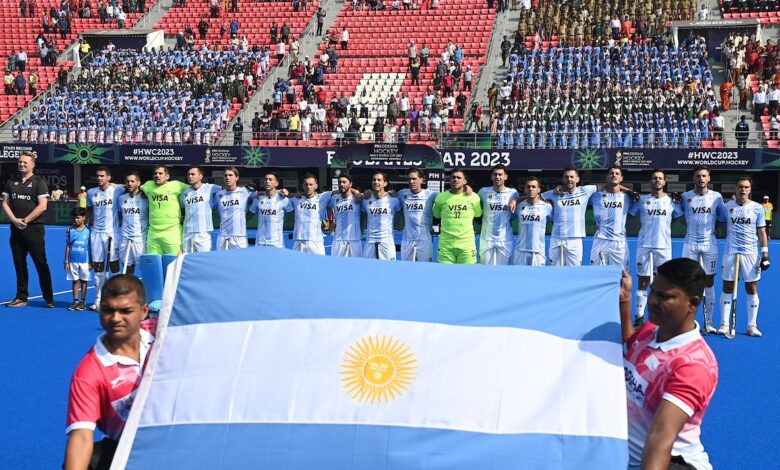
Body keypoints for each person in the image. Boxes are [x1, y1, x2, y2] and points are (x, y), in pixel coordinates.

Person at [619, 259, 718, 470]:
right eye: (653, 292)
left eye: (665, 297)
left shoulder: (692, 365)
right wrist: (624, 300)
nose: (653, 301)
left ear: (692, 303)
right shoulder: (651, 330)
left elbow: (660, 437)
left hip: (672, 463)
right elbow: (630, 344)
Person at [64, 275, 155, 470]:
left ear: (143, 311)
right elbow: (81, 437)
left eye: (125, 311)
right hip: (129, 453)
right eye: (108, 310)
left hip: (180, 439)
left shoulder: (163, 333)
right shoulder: (88, 372)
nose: (115, 318)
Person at [629, 170, 684, 327]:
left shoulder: (672, 201)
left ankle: (663, 315)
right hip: (644, 245)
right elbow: (629, 213)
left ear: (664, 182)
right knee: (643, 280)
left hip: (664, 247)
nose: (657, 180)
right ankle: (639, 317)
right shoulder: (641, 200)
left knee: (665, 282)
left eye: (660, 178)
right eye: (654, 178)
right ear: (650, 181)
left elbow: (684, 218)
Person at [718, 177, 770, 337]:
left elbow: (762, 232)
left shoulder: (757, 208)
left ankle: (751, 326)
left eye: (746, 187)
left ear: (750, 190)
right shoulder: (727, 207)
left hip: (750, 252)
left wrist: (765, 253)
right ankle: (724, 324)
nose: (743, 189)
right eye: (740, 186)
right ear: (735, 188)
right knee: (727, 286)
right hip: (730, 251)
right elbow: (718, 222)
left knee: (752, 287)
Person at [2, 151, 54, 307]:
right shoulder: (11, 182)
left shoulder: (39, 182)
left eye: (25, 162)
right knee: (19, 263)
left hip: (34, 230)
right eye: (20, 162)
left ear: (32, 164)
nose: (22, 164)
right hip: (16, 229)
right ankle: (21, 297)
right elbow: (4, 203)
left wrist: (25, 220)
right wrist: (14, 220)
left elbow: (43, 206)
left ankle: (49, 298)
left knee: (40, 263)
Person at [679, 166, 726, 333]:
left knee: (709, 281)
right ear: (694, 178)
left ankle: (709, 322)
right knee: (688, 282)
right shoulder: (685, 197)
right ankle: (685, 321)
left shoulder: (717, 197)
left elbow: (722, 217)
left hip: (709, 244)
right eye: (698, 176)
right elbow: (680, 217)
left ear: (709, 178)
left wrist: (714, 229)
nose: (701, 178)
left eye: (704, 176)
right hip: (690, 243)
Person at [541, 167, 598, 266]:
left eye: (572, 177)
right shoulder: (555, 193)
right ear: (563, 179)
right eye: (566, 177)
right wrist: (515, 201)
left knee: (574, 274)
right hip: (556, 238)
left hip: (575, 240)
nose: (569, 179)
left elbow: (607, 185)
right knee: (555, 274)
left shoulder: (585, 191)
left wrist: (628, 190)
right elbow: (535, 197)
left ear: (577, 179)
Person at [86, 167, 123, 310]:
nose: (99, 178)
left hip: (112, 233)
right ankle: (98, 299)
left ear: (109, 177)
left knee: (114, 266)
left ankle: (116, 298)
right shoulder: (91, 192)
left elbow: (130, 185)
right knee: (98, 267)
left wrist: (115, 185)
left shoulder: (117, 190)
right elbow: (89, 211)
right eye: (97, 176)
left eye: (102, 176)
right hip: (96, 233)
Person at [589, 165, 634, 268]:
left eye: (617, 174)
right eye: (611, 173)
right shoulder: (596, 196)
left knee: (622, 276)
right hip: (601, 240)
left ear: (621, 178)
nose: (614, 175)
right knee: (597, 275)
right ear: (607, 177)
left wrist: (628, 191)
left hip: (619, 242)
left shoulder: (628, 198)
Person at [433, 170, 482, 264]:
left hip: (467, 245)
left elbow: (478, 215)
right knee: (445, 276)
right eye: (453, 177)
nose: (455, 179)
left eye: (459, 178)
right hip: (446, 245)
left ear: (464, 181)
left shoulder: (474, 197)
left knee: (466, 276)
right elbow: (436, 216)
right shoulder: (441, 197)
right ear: (450, 180)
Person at [140, 165, 189, 255]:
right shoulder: (148, 185)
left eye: (160, 173)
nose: (157, 175)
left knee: (173, 264)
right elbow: (134, 186)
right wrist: (113, 184)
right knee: (154, 265)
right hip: (153, 234)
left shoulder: (176, 185)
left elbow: (194, 189)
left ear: (167, 176)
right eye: (155, 173)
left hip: (172, 233)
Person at [478, 164, 519, 265]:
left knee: (503, 272)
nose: (497, 177)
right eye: (495, 174)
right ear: (491, 176)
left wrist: (516, 200)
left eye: (500, 174)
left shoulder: (513, 193)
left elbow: (527, 198)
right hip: (486, 239)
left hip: (505, 240)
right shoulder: (483, 192)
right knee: (485, 271)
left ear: (505, 176)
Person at [396, 168, 438, 262]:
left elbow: (448, 196)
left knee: (426, 269)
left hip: (424, 239)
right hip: (407, 239)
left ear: (421, 180)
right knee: (406, 269)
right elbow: (387, 196)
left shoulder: (430, 194)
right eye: (409, 179)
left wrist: (467, 188)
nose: (411, 181)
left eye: (414, 179)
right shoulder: (402, 193)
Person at [511, 177, 552, 266]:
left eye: (533, 187)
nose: (531, 189)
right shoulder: (518, 206)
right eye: (528, 187)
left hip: (538, 251)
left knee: (538, 279)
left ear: (539, 190)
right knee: (519, 279)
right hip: (520, 250)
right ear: (525, 189)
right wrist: (515, 201)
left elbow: (554, 221)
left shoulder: (547, 207)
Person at [180, 165, 220, 253]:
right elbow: (183, 208)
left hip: (203, 232)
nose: (190, 176)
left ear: (200, 176)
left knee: (204, 259)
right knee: (187, 259)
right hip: (187, 232)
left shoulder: (211, 188)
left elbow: (228, 189)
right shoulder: (185, 192)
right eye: (188, 174)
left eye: (193, 174)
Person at [289, 173, 331, 255]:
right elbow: (279, 195)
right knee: (296, 267)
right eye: (306, 184)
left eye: (311, 184)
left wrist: (355, 191)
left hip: (316, 241)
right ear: (302, 186)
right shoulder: (296, 199)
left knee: (319, 266)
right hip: (299, 240)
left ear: (316, 186)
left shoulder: (323, 197)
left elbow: (341, 191)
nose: (308, 187)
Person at [362, 171, 401, 260]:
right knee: (366, 270)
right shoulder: (365, 199)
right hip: (370, 241)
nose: (376, 182)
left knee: (389, 271)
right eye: (374, 180)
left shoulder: (394, 200)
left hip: (387, 242)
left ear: (385, 183)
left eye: (379, 180)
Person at [249, 171, 293, 248]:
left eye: (270, 179)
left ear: (276, 183)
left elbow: (295, 216)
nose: (267, 181)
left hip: (277, 244)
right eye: (266, 180)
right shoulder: (258, 198)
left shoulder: (284, 200)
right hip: (260, 243)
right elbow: (248, 216)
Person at [212, 167, 253, 250]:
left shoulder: (245, 191)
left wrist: (280, 191)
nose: (227, 177)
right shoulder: (219, 194)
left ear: (236, 178)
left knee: (240, 262)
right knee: (221, 262)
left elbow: (263, 194)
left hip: (239, 236)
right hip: (222, 235)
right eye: (225, 175)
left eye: (230, 175)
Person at [118, 172, 149, 275]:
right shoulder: (122, 198)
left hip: (139, 238)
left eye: (132, 181)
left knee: (143, 268)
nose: (129, 184)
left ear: (139, 183)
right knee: (127, 267)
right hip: (125, 237)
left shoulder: (146, 198)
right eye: (127, 181)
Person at [327, 173, 363, 257]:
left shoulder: (358, 197)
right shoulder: (333, 197)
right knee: (337, 268)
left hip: (355, 240)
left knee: (356, 268)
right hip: (338, 240)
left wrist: (356, 192)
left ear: (350, 184)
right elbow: (326, 207)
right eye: (340, 182)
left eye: (344, 182)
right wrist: (329, 225)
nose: (341, 184)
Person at [65, 207, 91, 311]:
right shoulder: (70, 230)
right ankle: (75, 301)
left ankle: (83, 302)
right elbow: (68, 246)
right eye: (74, 218)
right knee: (75, 281)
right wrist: (66, 261)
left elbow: (90, 247)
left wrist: (91, 261)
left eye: (78, 218)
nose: (75, 220)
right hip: (73, 260)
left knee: (84, 281)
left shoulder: (89, 231)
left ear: (84, 218)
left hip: (85, 260)